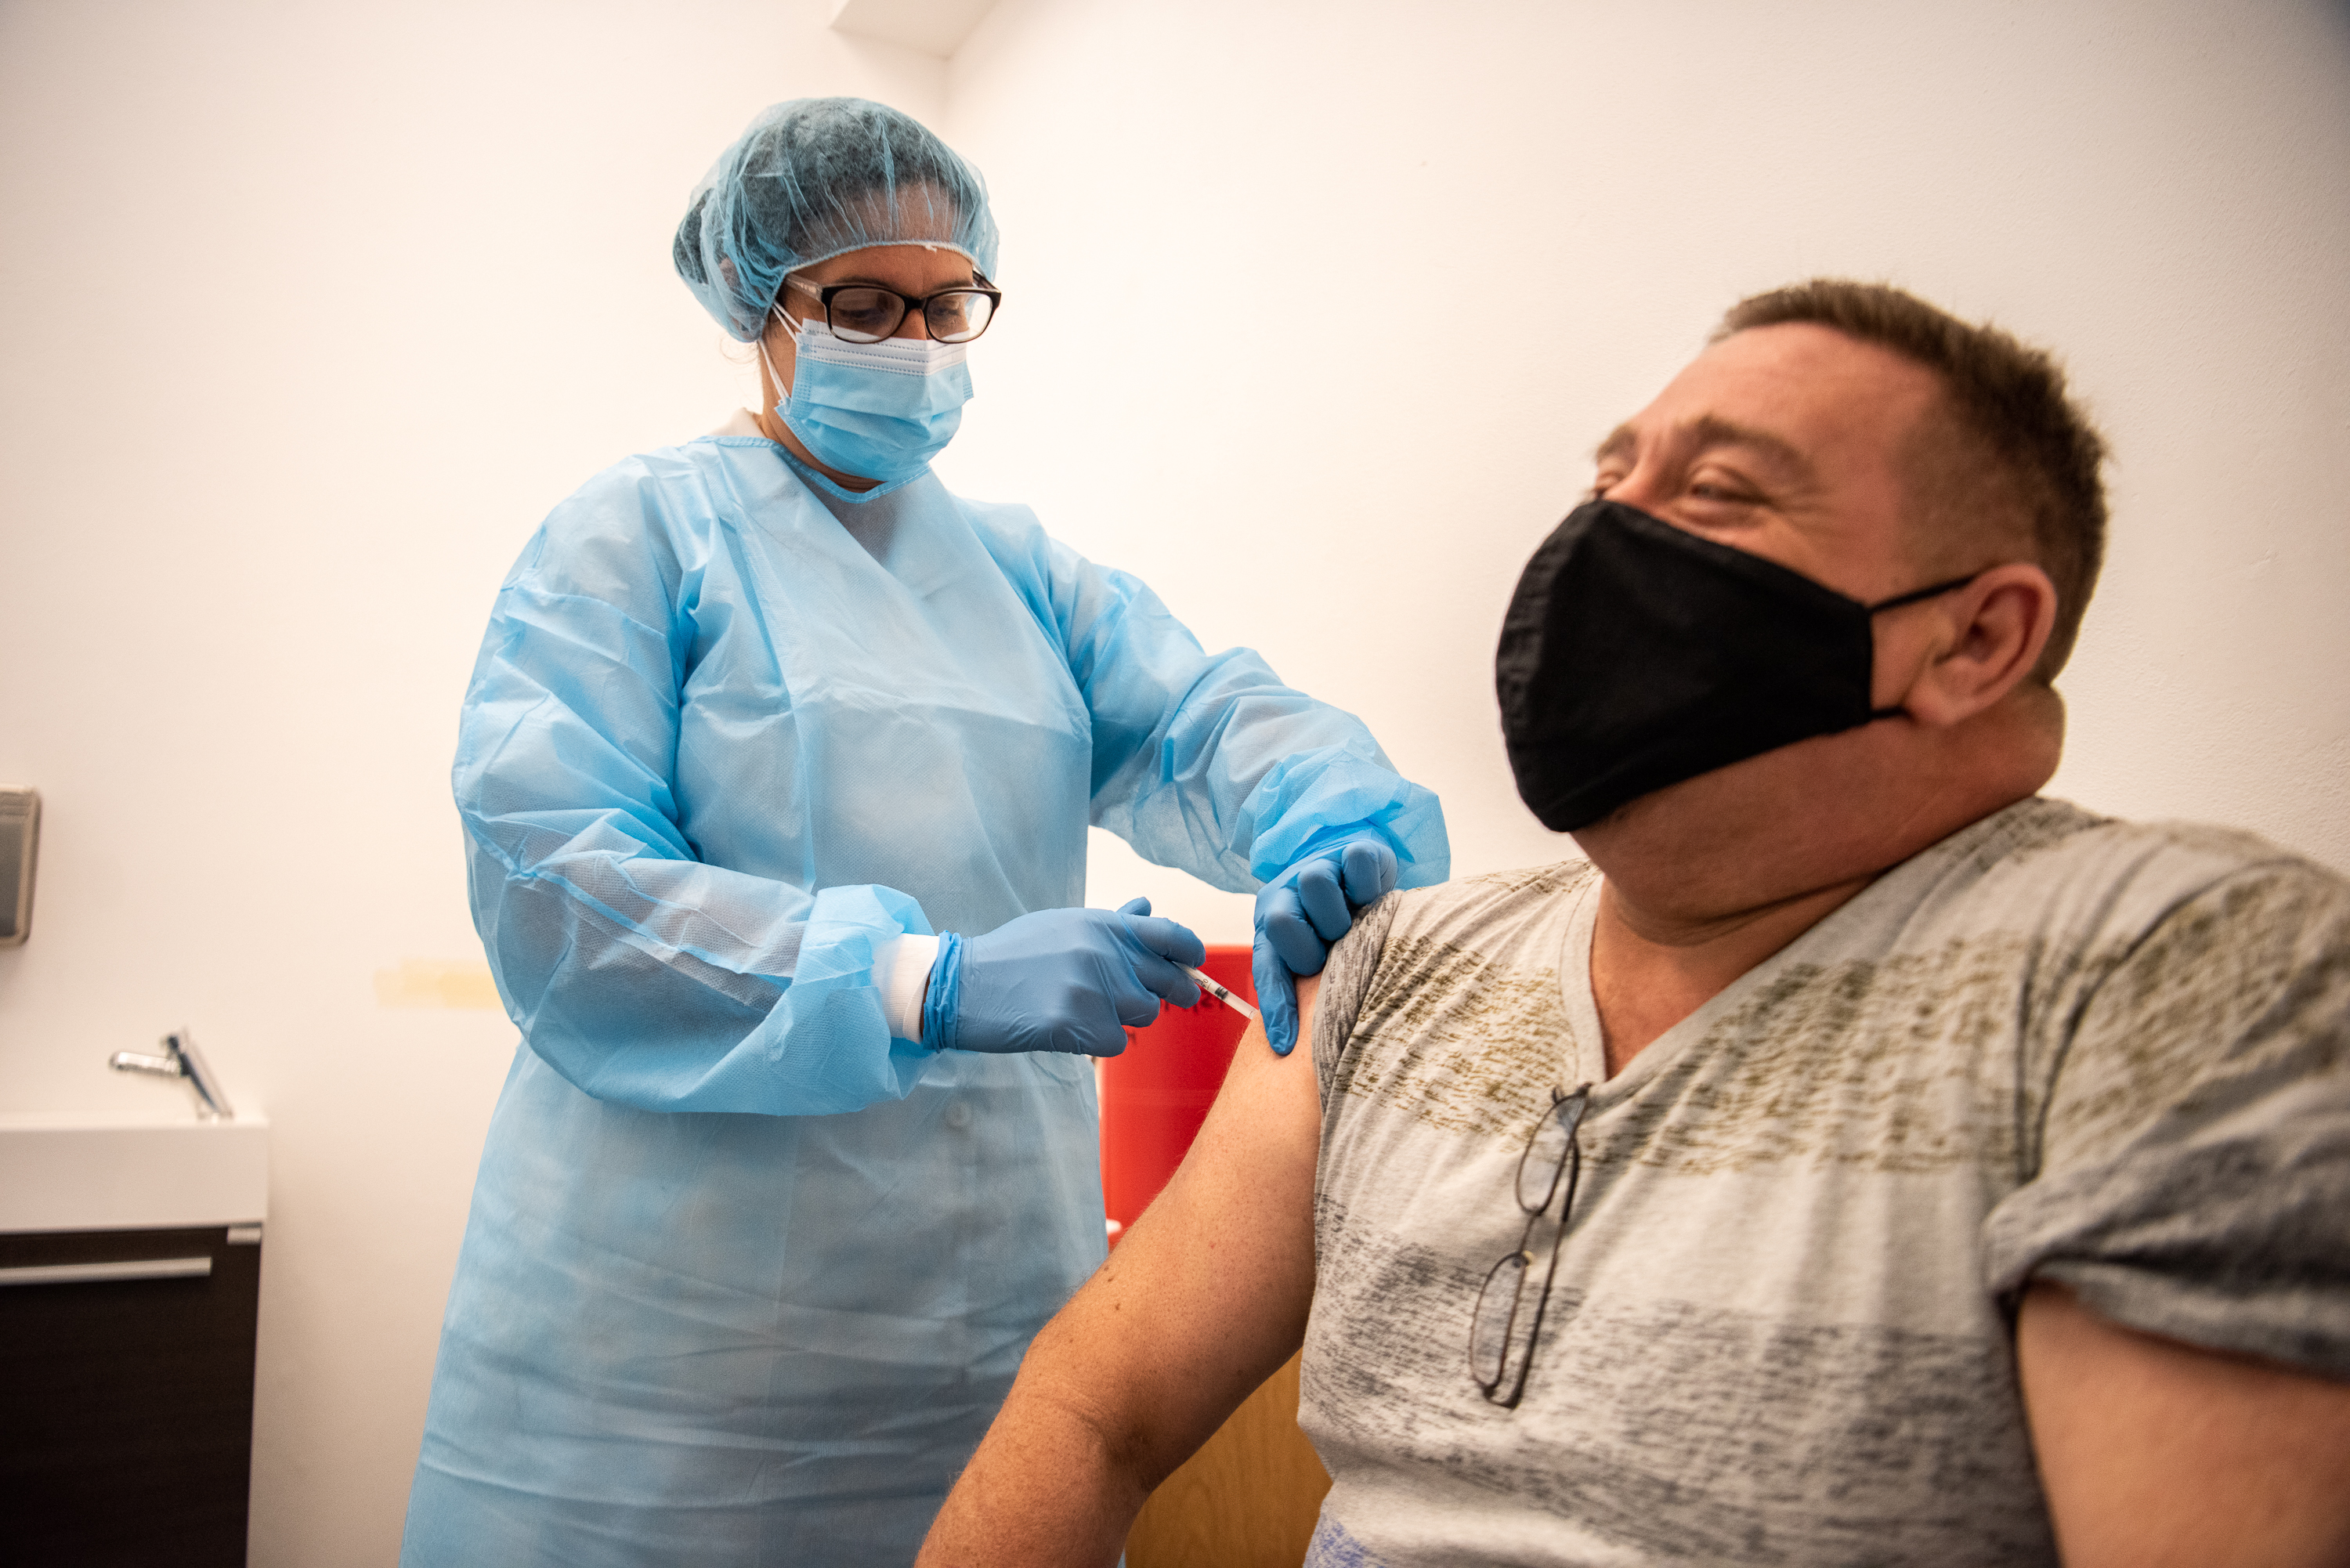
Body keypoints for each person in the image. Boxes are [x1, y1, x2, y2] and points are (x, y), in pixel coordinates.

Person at [916, 280, 2350, 1567]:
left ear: (1976, 638)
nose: (1605, 538)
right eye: (1610, 480)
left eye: (1716, 492)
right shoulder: (1396, 967)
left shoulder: (2175, 971)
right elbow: (1093, 1405)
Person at [398, 97, 1446, 1568]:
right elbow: (555, 886)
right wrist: (916, 979)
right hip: (666, 1366)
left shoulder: (1019, 573)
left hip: (984, 1338)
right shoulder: (639, 535)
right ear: (764, 306)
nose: (912, 342)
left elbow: (1209, 719)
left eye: (947, 306)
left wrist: (1331, 822)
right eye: (864, 305)